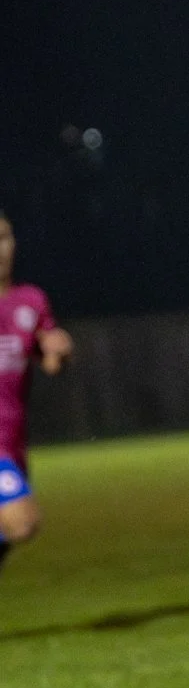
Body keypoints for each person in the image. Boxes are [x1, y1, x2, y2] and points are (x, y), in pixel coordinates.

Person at [0, 212, 75, 573]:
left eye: (5, 238)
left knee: (17, 529)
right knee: (22, 522)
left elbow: (51, 362)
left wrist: (59, 348)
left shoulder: (30, 300)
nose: (0, 249)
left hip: (14, 443)